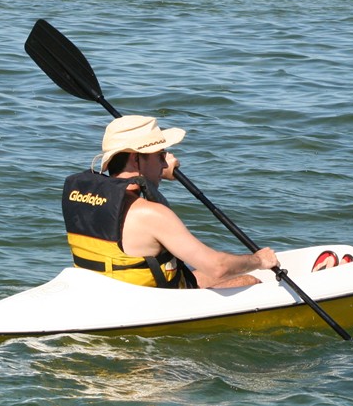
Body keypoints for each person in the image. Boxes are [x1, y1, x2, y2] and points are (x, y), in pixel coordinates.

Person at [62, 115, 278, 289]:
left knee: (198, 275)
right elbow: (217, 268)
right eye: (160, 155)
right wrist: (258, 261)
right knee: (252, 282)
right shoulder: (150, 214)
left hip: (105, 291)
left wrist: (154, 170)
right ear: (136, 158)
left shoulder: (81, 196)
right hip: (149, 302)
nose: (166, 161)